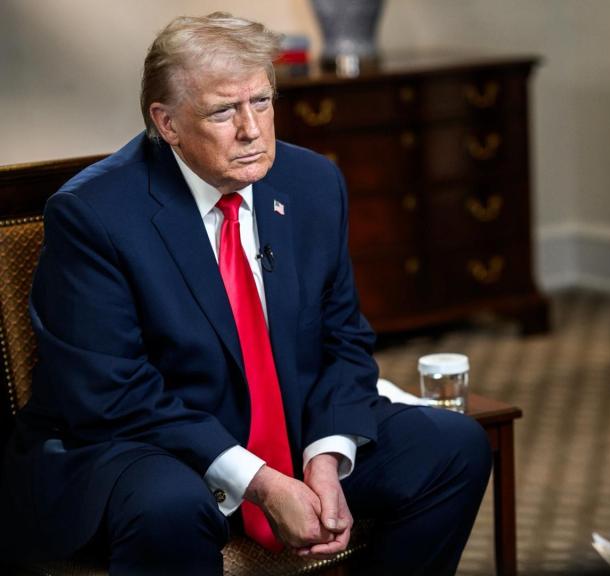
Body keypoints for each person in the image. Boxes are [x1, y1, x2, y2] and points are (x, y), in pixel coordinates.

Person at [0, 12, 491, 576]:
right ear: (167, 122)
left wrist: (326, 458)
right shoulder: (95, 215)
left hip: (286, 425)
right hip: (146, 442)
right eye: (223, 111)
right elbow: (112, 392)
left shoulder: (312, 183)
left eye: (261, 101)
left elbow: (343, 339)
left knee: (453, 446)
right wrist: (259, 482)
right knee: (169, 506)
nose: (252, 129)